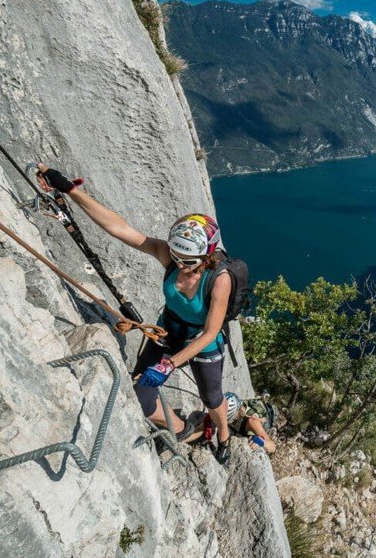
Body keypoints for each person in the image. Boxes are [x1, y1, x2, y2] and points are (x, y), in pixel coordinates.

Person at [37, 165, 234, 466]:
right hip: (169, 333)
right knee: (141, 395)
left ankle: (223, 435)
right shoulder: (170, 255)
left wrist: (170, 364)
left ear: (207, 255)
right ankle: (184, 428)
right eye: (176, 257)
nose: (180, 265)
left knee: (212, 398)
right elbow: (120, 228)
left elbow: (210, 332)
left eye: (188, 261)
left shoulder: (219, 279)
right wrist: (69, 189)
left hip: (202, 343)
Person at [204, 392, 277, 455]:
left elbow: (273, 447)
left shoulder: (252, 422)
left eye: (228, 419)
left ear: (235, 415)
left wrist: (261, 442)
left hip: (265, 417)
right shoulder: (227, 405)